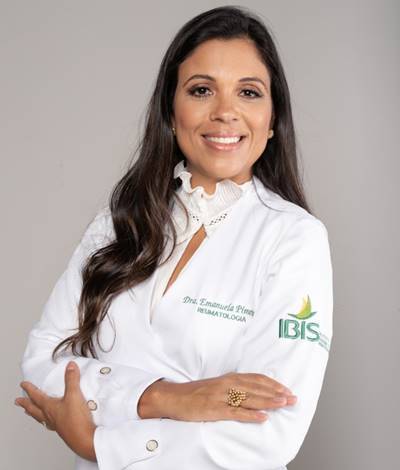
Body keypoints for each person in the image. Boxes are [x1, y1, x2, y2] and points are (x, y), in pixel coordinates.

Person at [15, 5, 333, 470]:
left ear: (271, 120)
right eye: (201, 90)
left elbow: (271, 428)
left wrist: (99, 444)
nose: (225, 112)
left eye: (248, 92)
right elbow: (43, 364)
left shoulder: (294, 238)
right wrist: (166, 397)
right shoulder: (119, 221)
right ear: (170, 111)